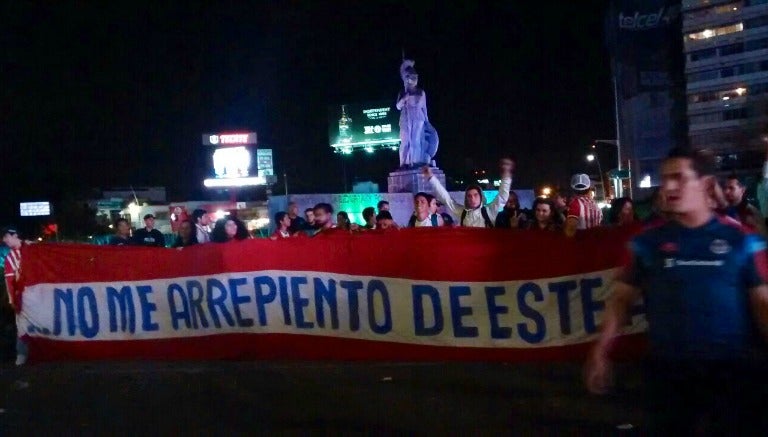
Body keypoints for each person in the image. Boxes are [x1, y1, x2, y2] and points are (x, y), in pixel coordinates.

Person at [584, 147, 768, 435]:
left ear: (706, 185)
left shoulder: (743, 240)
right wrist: (601, 349)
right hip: (668, 372)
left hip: (732, 372)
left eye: (679, 178)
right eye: (664, 178)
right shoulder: (646, 243)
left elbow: (762, 303)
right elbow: (620, 299)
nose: (668, 186)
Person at [422, 158, 513, 228]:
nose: (472, 199)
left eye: (475, 195)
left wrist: (506, 174)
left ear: (481, 197)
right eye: (469, 196)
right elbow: (446, 199)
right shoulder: (463, 213)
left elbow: (502, 196)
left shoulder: (489, 211)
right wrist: (431, 178)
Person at [3, 227, 28, 366]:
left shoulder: (31, 249)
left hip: (38, 294)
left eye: (7, 236)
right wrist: (12, 299)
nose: (5, 240)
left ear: (15, 235)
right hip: (23, 297)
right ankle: (22, 353)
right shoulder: (10, 258)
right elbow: (9, 282)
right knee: (22, 325)